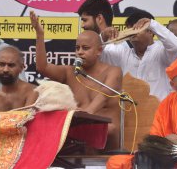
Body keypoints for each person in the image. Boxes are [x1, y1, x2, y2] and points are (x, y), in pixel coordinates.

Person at [30, 11, 122, 150]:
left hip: (108, 141)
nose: (79, 52)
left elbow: (103, 96)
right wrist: (39, 35)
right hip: (78, 138)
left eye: (85, 48)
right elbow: (42, 67)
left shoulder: (113, 71)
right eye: (77, 48)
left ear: (99, 51)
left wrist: (79, 117)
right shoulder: (70, 72)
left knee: (108, 129)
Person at [101, 9, 177, 100]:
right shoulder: (122, 54)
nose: (132, 32)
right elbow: (97, 56)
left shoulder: (162, 52)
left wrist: (152, 24)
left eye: (136, 28)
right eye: (130, 28)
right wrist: (102, 38)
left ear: (151, 31)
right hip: (128, 112)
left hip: (158, 112)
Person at [0, 46, 38, 114]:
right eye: (1, 64)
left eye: (11, 65)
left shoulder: (33, 92)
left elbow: (28, 120)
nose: (5, 70)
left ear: (21, 67)